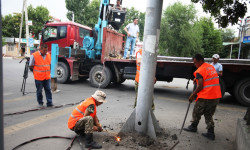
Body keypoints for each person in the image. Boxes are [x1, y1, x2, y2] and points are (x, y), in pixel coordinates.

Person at [183, 54, 222, 140]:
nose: (195, 64)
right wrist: (196, 79)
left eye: (195, 62)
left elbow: (200, 86)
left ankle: (193, 126)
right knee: (209, 114)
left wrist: (192, 95)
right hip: (216, 95)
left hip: (206, 96)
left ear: (200, 61)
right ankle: (211, 133)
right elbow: (207, 77)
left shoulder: (200, 71)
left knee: (197, 111)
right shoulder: (210, 66)